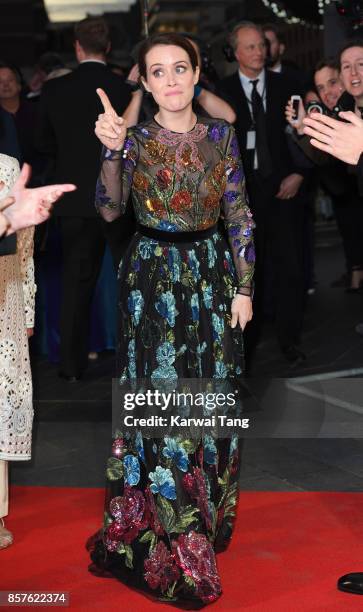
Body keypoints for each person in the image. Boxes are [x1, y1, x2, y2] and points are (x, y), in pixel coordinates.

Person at [87, 33, 255, 606]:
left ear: (197, 71)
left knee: (209, 401)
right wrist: (110, 152)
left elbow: (239, 212)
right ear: (146, 81)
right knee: (160, 406)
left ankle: (204, 517)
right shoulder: (131, 140)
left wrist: (245, 286)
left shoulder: (221, 136)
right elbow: (109, 209)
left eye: (180, 68)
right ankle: (175, 537)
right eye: (158, 72)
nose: (172, 80)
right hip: (151, 280)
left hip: (210, 279)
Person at [36, 16, 132, 382]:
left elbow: (43, 144)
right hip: (120, 197)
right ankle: (135, 362)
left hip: (74, 200)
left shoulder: (54, 90)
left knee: (76, 286)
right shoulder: (123, 88)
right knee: (131, 282)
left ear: (77, 47)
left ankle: (72, 367)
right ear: (107, 48)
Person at [218, 22, 307, 366]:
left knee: (290, 268)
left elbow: (306, 138)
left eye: (261, 46)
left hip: (284, 190)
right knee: (246, 274)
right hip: (243, 196)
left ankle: (289, 340)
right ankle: (246, 348)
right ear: (235, 53)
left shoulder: (290, 85)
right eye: (251, 47)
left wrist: (300, 173)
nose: (259, 52)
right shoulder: (223, 92)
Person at [286, 58, 363, 292]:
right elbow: (322, 158)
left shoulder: (350, 109)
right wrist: (301, 128)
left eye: (332, 82)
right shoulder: (337, 114)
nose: (327, 92)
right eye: (321, 88)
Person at [0, 154, 36, 549]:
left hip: (3, 290)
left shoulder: (8, 168)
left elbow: (25, 244)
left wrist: (27, 305)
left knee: (0, 401)